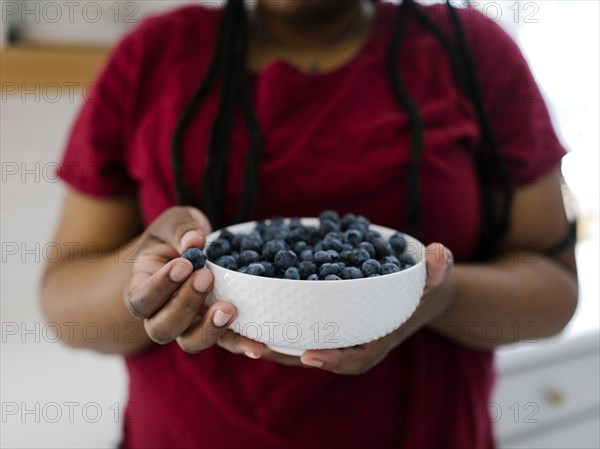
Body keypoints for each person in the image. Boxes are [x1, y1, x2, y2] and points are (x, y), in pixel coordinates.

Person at [41, 0, 578, 447]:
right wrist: (149, 282)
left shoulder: (474, 53)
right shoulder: (150, 57)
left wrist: (441, 293)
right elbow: (66, 305)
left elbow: (553, 293)